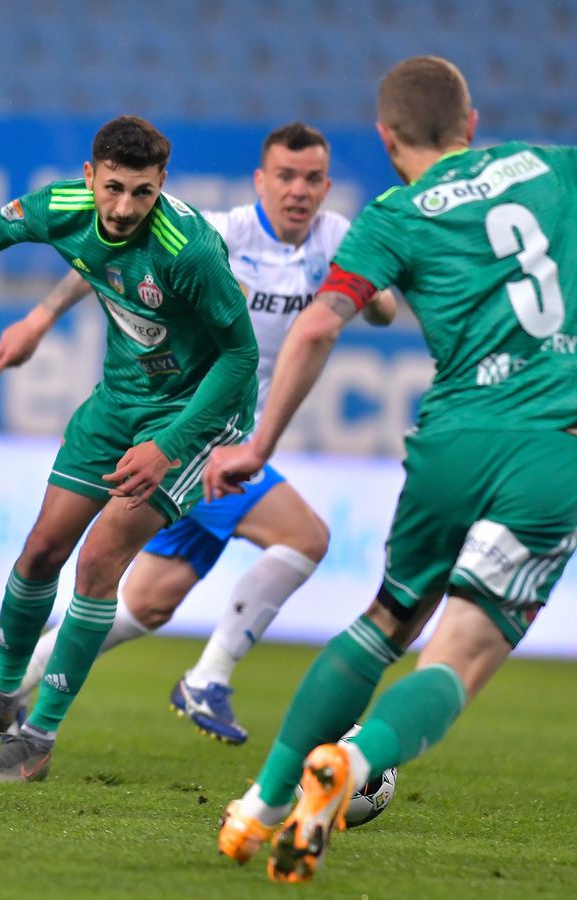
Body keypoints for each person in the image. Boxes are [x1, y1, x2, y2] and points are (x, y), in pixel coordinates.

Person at [211, 55, 577, 883]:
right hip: (554, 436)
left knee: (386, 620)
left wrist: (260, 446)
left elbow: (315, 329)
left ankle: (261, 805)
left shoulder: (391, 216)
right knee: (463, 651)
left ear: (385, 138)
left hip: (451, 440)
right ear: (471, 122)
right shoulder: (556, 169)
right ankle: (356, 759)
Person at [0, 123, 397, 747]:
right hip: (201, 436)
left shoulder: (337, 241)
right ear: (260, 180)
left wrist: (369, 294)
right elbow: (107, 255)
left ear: (327, 186)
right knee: (303, 538)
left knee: (143, 603)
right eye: (285, 176)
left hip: (223, 440)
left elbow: (378, 308)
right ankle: (204, 679)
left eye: (311, 179)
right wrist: (40, 316)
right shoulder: (218, 233)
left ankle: (5, 684)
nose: (298, 191)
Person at [0, 116, 259, 782]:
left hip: (191, 417)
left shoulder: (188, 249)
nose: (125, 207)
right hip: (117, 402)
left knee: (100, 560)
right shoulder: (64, 206)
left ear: (162, 183)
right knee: (42, 549)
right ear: (89, 176)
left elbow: (241, 357)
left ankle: (37, 737)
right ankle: (1, 693)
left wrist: (168, 446)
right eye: (113, 188)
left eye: (142, 192)